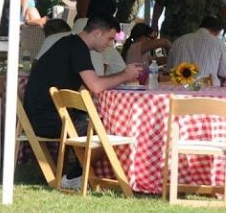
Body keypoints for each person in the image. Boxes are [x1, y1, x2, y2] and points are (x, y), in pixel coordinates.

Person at [22, 14, 140, 189]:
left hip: (39, 113)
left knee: (100, 123)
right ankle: (73, 177)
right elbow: (96, 86)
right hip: (46, 119)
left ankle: (76, 174)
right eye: (109, 39)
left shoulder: (69, 44)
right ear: (97, 33)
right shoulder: (77, 48)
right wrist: (125, 75)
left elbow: (88, 84)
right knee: (108, 130)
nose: (110, 44)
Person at [166, 16, 226, 87]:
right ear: (216, 32)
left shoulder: (178, 41)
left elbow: (169, 70)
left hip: (178, 92)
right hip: (208, 93)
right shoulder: (218, 43)